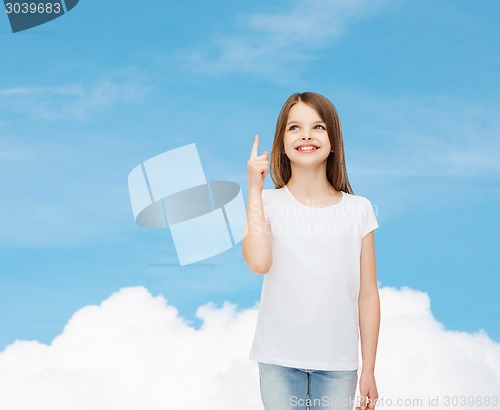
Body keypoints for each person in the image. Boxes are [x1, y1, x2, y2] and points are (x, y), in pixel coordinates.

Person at [242, 92, 380, 410]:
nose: (306, 134)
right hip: (278, 358)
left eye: (318, 126)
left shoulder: (358, 210)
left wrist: (369, 369)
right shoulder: (266, 203)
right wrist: (253, 188)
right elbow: (259, 263)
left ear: (333, 140)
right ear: (281, 141)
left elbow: (368, 295)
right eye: (294, 128)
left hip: (338, 364)